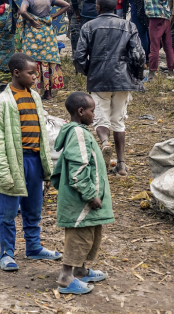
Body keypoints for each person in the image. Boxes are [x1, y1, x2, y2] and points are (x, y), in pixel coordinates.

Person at [0, 53, 61, 272]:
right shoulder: (3, 101)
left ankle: (33, 246)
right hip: (14, 161)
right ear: (16, 73)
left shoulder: (35, 96)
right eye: (31, 73)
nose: (35, 77)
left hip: (34, 160)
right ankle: (6, 253)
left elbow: (41, 132)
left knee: (34, 209)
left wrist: (46, 164)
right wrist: (4, 172)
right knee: (8, 212)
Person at [73, 0, 144, 176]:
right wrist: (135, 76)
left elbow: (79, 56)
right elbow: (139, 55)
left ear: (97, 7)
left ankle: (104, 142)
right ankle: (121, 165)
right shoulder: (128, 25)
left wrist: (90, 71)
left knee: (100, 117)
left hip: (98, 78)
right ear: (116, 6)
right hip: (123, 78)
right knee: (119, 121)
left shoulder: (89, 26)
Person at [51, 92, 113, 295]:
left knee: (90, 232)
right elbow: (78, 169)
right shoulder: (78, 133)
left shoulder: (81, 131)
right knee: (79, 237)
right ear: (80, 111)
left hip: (87, 198)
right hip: (82, 199)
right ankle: (66, 278)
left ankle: (80, 270)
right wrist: (90, 194)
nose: (94, 115)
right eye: (92, 110)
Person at [18, 0, 69, 99]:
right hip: (47, 32)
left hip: (32, 33)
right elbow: (67, 5)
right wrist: (52, 16)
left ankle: (33, 91)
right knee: (47, 60)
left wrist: (31, 20)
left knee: (32, 60)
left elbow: (23, 11)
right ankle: (48, 93)